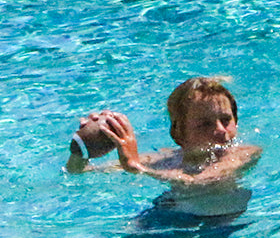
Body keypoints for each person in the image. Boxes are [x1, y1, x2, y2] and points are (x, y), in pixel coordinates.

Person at [67, 76, 262, 223]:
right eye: (205, 124)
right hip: (173, 213)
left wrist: (136, 165)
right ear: (178, 134)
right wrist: (81, 148)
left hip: (221, 222)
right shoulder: (165, 160)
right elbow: (78, 172)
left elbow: (202, 181)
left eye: (226, 120)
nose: (220, 130)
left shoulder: (243, 153)